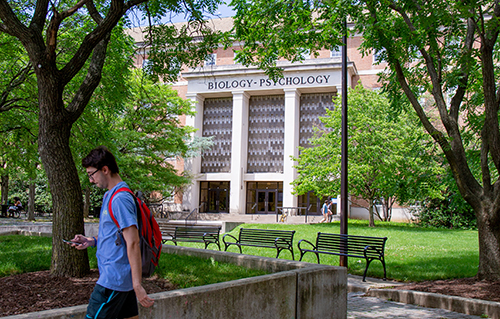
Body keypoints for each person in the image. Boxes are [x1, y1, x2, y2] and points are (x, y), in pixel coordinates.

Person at [67, 146, 154, 319]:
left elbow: (133, 241)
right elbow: (114, 236)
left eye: (91, 174)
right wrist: (91, 241)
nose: (91, 180)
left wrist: (137, 285)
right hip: (120, 280)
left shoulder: (120, 198)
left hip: (113, 281)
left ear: (105, 169)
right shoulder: (110, 195)